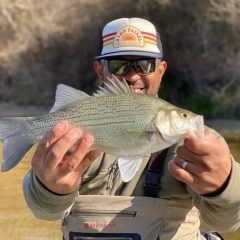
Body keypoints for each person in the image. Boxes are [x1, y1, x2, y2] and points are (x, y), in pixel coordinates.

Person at [23, 18, 240, 240]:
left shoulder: (200, 143)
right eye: (118, 65)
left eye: (145, 65)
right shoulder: (71, 140)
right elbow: (43, 211)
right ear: (99, 69)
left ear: (161, 70)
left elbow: (228, 220)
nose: (132, 76)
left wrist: (224, 186)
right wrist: (50, 189)